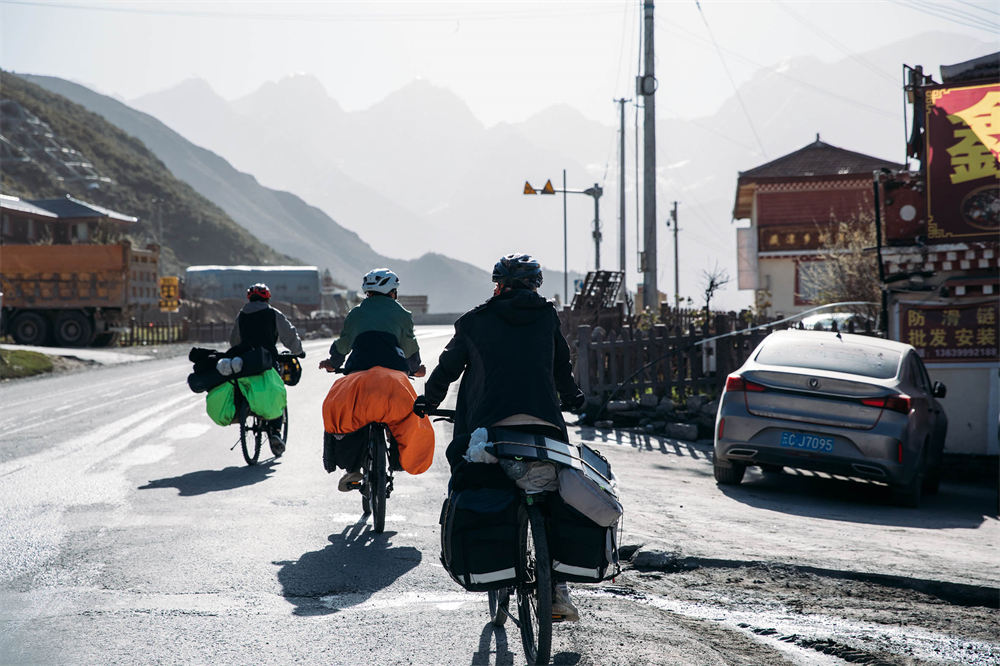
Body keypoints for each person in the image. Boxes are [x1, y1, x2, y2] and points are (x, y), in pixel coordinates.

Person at [413, 252, 586, 622]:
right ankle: (557, 589)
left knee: (478, 481)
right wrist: (573, 398)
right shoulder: (546, 318)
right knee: (553, 497)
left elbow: (447, 369)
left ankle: (494, 561)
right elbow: (561, 367)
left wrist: (428, 400)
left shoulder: (474, 321)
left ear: (498, 285)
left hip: (487, 428)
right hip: (544, 427)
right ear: (536, 285)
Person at [319, 268, 427, 491]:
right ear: (392, 292)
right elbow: (410, 349)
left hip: (359, 375)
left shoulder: (355, 314)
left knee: (351, 414)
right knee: (403, 415)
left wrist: (333, 363)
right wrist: (415, 368)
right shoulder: (403, 314)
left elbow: (343, 345)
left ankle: (353, 469)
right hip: (394, 377)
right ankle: (398, 457)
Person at [231, 282, 304, 456]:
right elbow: (289, 334)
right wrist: (298, 351)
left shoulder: (241, 315)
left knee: (244, 384)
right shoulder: (273, 313)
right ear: (267, 298)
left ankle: (246, 408)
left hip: (245, 361)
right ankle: (276, 431)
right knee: (277, 391)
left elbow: (234, 340)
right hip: (268, 361)